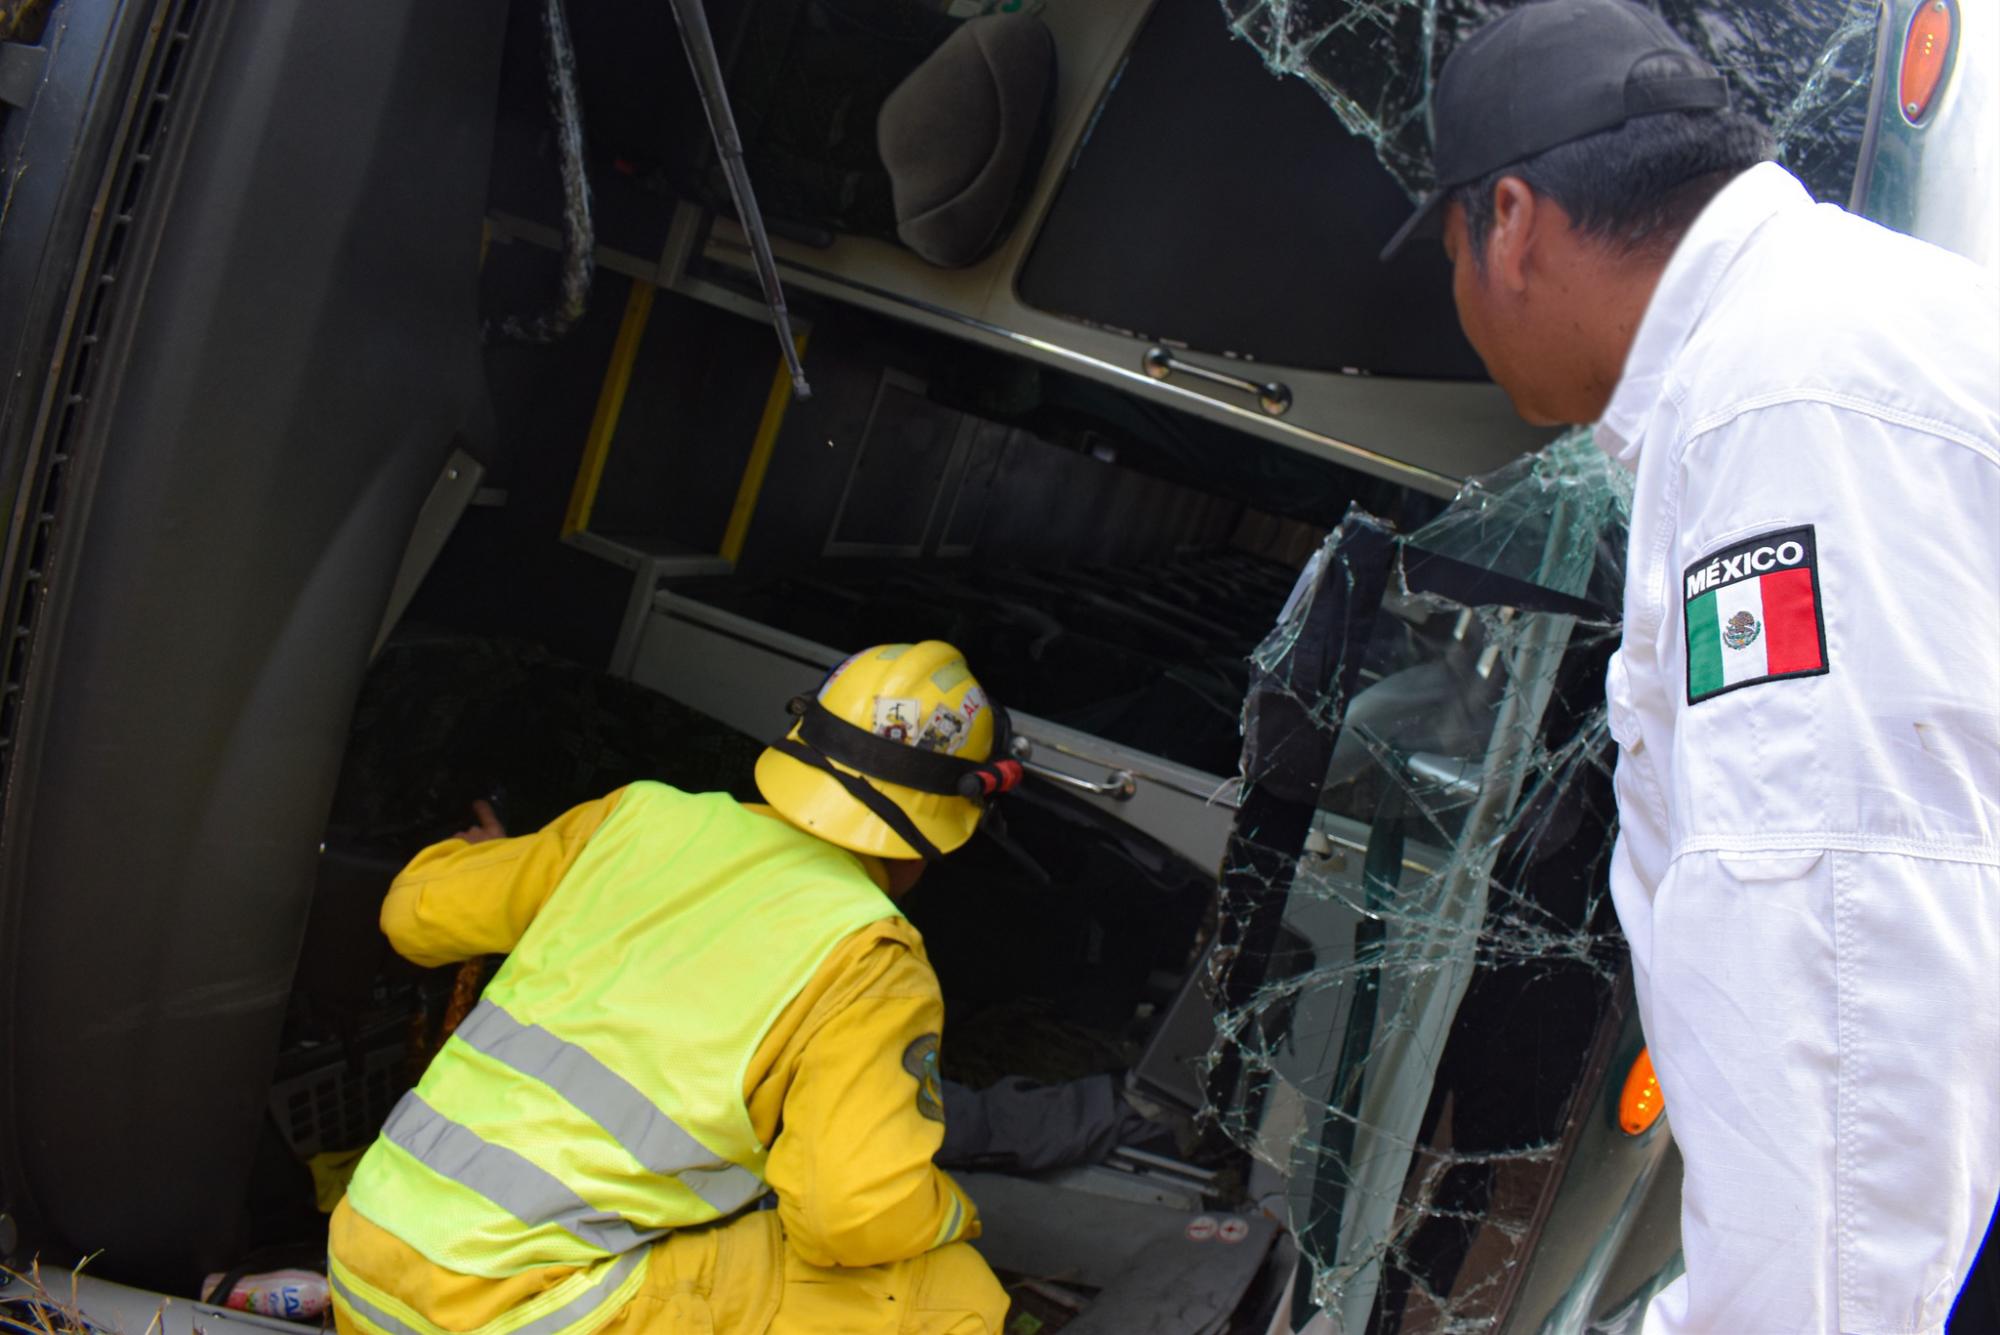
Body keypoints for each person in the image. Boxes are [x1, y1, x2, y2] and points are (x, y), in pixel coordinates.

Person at [1381, 1, 1999, 1329]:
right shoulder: (1822, 344)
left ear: (1510, 221)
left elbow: (1837, 961)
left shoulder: (1783, 423)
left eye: (1445, 251)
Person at [326, 641, 1019, 1335]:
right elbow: (853, 1216)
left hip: (365, 1261)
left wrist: (503, 858)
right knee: (947, 1295)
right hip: (523, 1315)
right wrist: (951, 1210)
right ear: (949, 823)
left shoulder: (637, 820)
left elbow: (412, 913)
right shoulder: (872, 961)